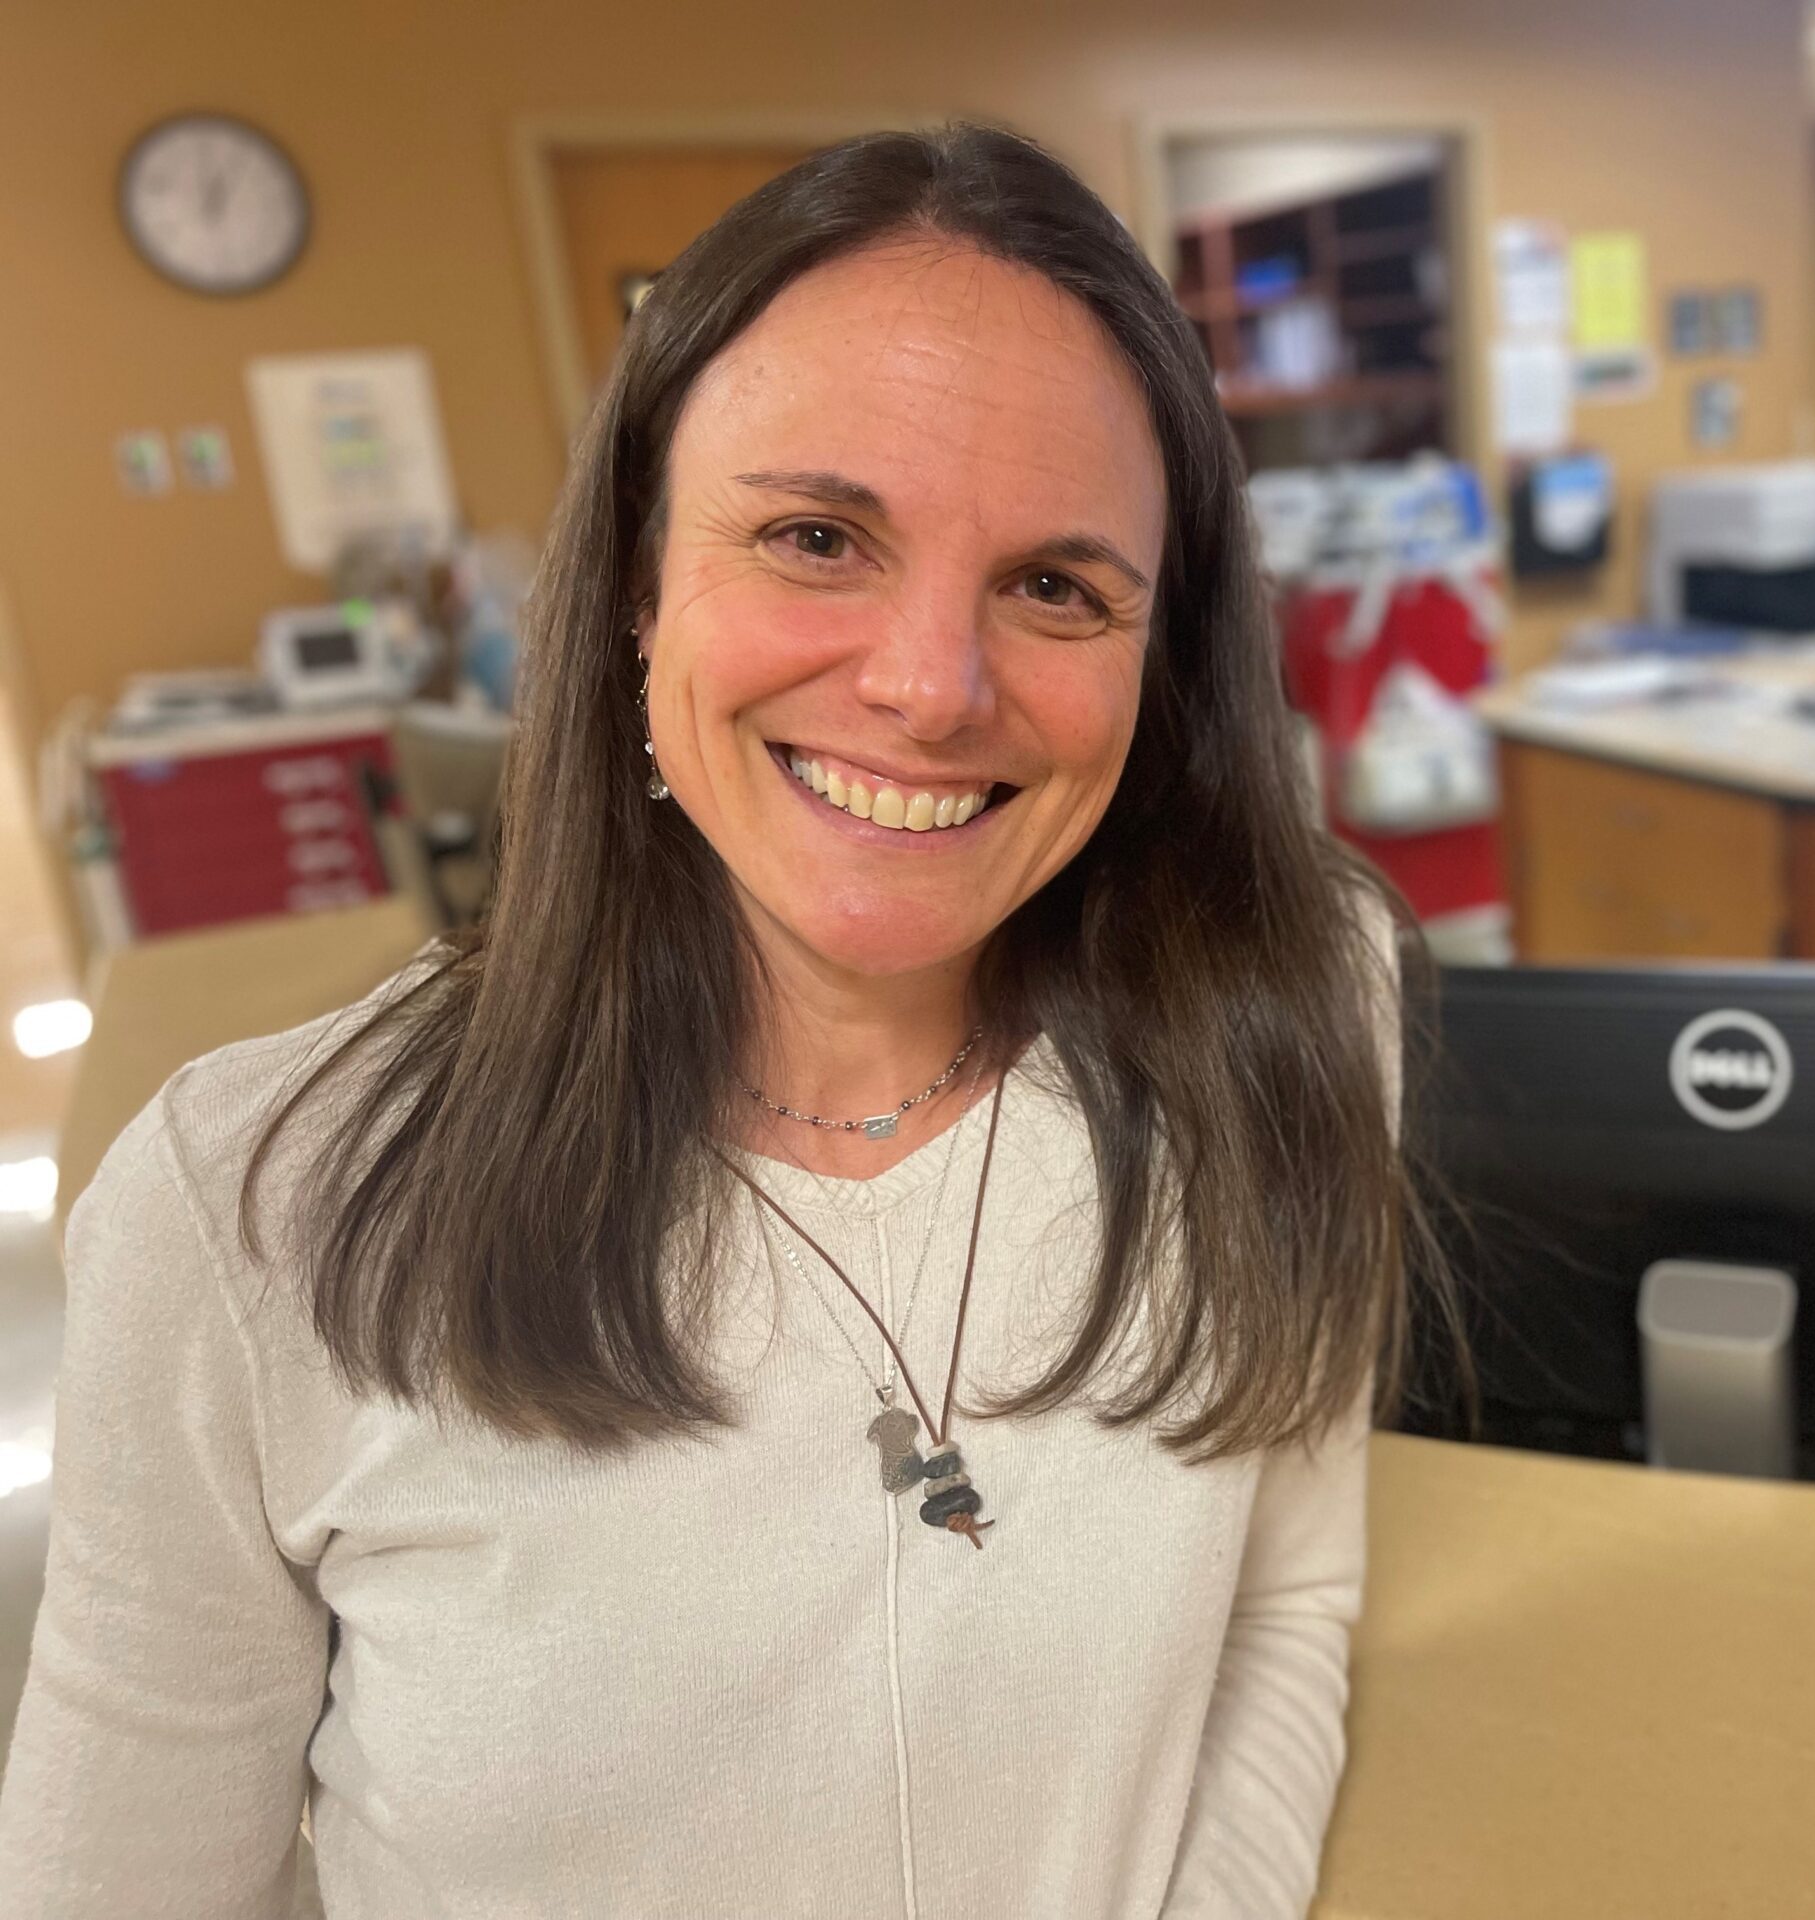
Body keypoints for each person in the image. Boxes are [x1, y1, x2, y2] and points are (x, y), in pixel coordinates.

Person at [0, 125, 1438, 1918]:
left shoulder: (1301, 1015)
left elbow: (1285, 1602)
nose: (931, 686)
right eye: (817, 535)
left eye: (1059, 585)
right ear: (632, 583)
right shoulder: (250, 1214)